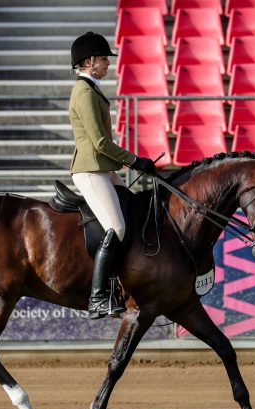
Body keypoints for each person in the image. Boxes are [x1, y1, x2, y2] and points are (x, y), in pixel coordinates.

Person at [68, 31, 157, 320]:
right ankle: (97, 298)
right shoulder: (83, 93)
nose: (108, 64)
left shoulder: (92, 90)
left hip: (103, 168)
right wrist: (134, 161)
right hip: (90, 170)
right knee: (117, 227)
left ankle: (121, 287)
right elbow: (99, 142)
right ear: (88, 61)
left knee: (129, 215)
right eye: (104, 59)